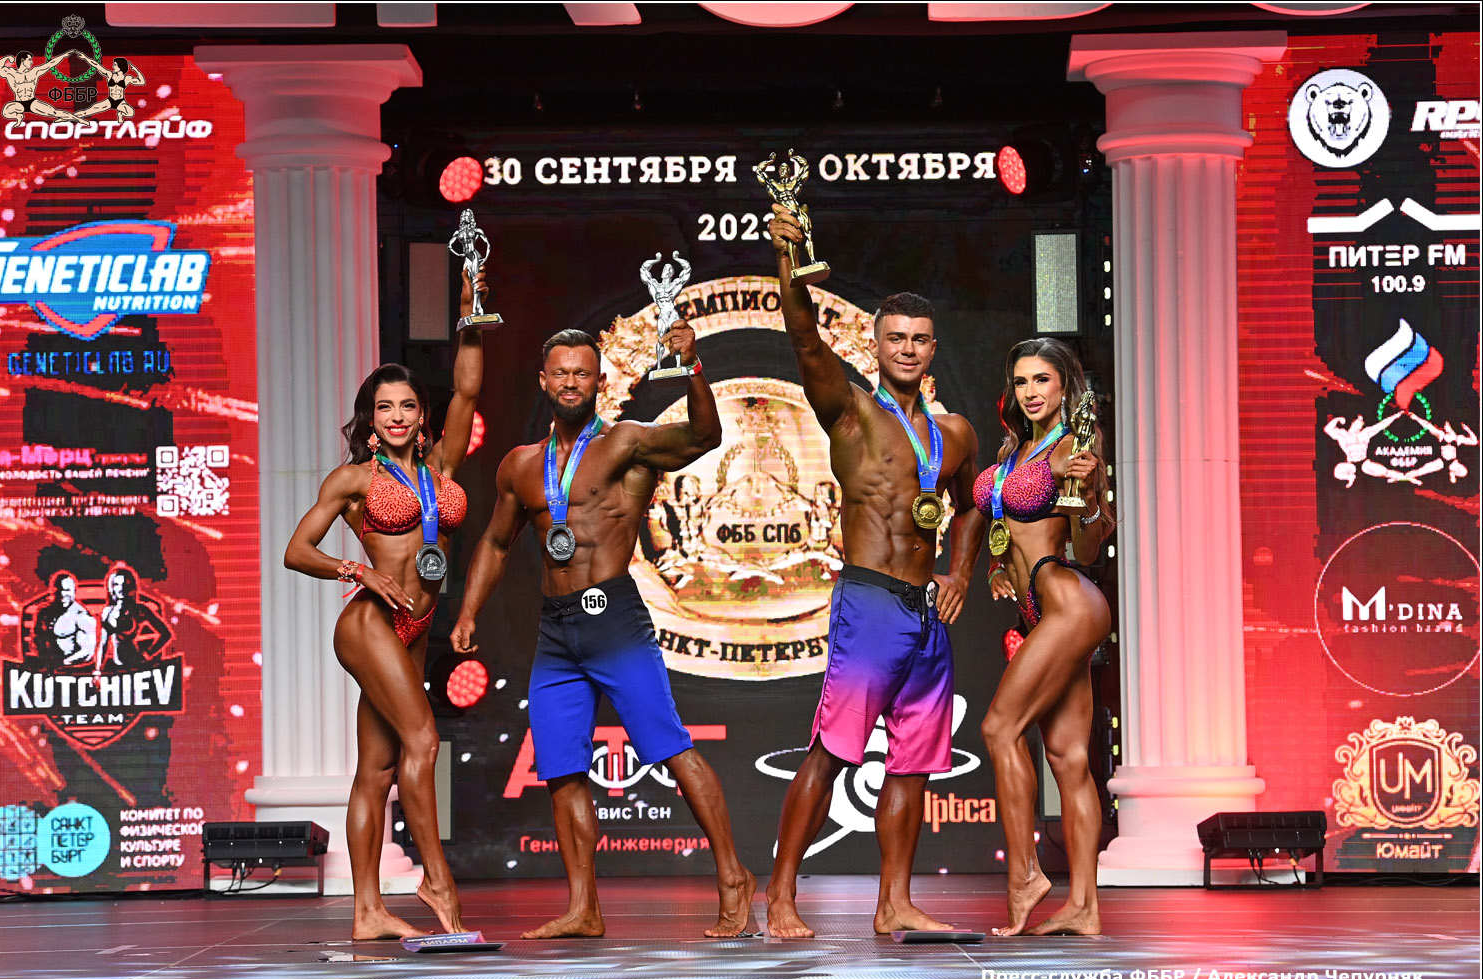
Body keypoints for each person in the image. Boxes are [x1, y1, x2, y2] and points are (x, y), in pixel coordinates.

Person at [450, 319, 756, 940]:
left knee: (669, 747)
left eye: (582, 373)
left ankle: (733, 877)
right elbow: (497, 542)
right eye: (560, 373)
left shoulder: (627, 444)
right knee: (562, 769)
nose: (570, 382)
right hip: (556, 631)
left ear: (599, 381)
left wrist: (693, 367)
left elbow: (705, 434)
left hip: (613, 618)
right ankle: (583, 908)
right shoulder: (520, 466)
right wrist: (468, 611)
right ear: (543, 381)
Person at [762, 203, 985, 938]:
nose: (908, 349)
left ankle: (895, 902)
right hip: (869, 603)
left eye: (919, 339)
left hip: (926, 611)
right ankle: (781, 897)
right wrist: (788, 261)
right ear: (875, 343)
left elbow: (972, 506)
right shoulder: (851, 411)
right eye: (896, 338)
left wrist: (959, 574)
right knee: (831, 751)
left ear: (932, 346)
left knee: (912, 764)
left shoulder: (954, 434)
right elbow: (803, 338)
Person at [283, 269, 484, 939]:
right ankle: (437, 879)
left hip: (416, 626)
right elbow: (296, 549)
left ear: (422, 415)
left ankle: (367, 911)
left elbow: (468, 387)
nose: (397, 416)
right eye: (384, 407)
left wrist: (467, 312)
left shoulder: (441, 469)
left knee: (377, 768)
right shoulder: (354, 479)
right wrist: (358, 571)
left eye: (408, 406)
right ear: (371, 419)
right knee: (423, 739)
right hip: (369, 622)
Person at [974, 337, 1113, 936]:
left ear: (1064, 387)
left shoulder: (1073, 447)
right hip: (1039, 610)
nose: (1031, 392)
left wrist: (1089, 499)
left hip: (1069, 602)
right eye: (1022, 381)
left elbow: (1089, 546)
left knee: (998, 728)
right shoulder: (1016, 450)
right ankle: (1084, 906)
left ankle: (1026, 874)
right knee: (1068, 757)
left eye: (1042, 381)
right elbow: (1007, 525)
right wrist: (997, 565)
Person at [96, 564, 170, 671]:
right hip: (116, 666)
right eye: (116, 584)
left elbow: (166, 634)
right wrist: (98, 670)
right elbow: (103, 644)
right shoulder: (107, 611)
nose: (121, 588)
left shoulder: (139, 610)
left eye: (125, 584)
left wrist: (148, 653)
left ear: (131, 586)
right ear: (111, 587)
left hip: (135, 664)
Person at [0, 51, 89, 124]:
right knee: (5, 112)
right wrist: (7, 58)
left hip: (32, 102)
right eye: (29, 60)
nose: (31, 62)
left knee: (55, 112)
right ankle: (18, 117)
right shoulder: (12, 73)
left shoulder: (34, 72)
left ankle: (80, 120)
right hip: (19, 103)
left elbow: (50, 64)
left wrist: (63, 56)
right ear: (23, 61)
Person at [36, 571, 97, 667]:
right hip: (47, 666)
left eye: (67, 590)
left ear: (74, 591)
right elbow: (37, 638)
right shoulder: (44, 613)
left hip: (71, 668)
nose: (62, 594)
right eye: (59, 589)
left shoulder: (81, 616)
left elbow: (88, 651)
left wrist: (64, 663)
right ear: (52, 590)